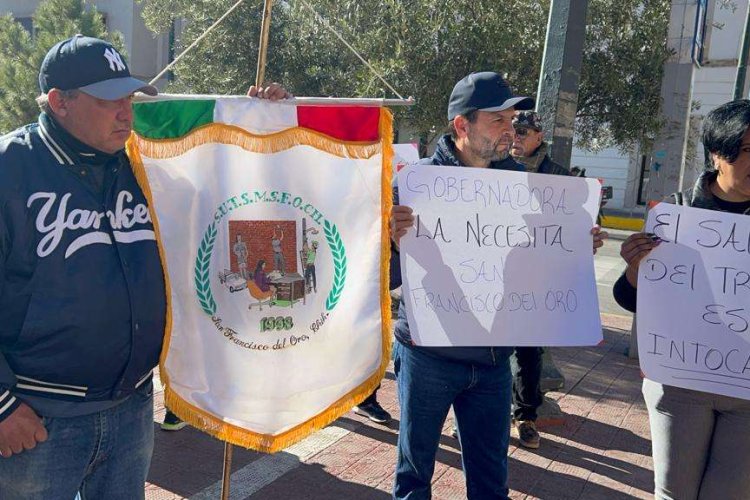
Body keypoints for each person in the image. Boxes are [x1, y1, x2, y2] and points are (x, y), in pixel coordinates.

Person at [0, 34, 290, 499]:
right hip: (37, 421)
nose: (125, 112)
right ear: (59, 102)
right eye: (108, 100)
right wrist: (2, 407)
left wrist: (260, 121)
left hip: (132, 408)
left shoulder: (145, 164)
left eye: (129, 98)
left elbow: (234, 203)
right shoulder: (10, 168)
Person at [390, 72, 607, 499]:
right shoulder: (416, 186)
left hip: (493, 362)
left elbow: (539, 265)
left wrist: (575, 246)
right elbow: (389, 278)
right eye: (498, 121)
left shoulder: (525, 188)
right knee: (414, 477)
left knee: (491, 483)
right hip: (427, 355)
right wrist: (392, 243)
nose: (510, 131)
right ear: (461, 126)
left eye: (512, 120)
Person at [612, 99, 750, 499]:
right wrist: (636, 271)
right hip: (680, 384)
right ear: (717, 154)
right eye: (748, 151)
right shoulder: (675, 215)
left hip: (746, 387)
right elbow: (632, 300)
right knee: (674, 492)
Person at [508, 110, 571, 449]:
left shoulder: (557, 177)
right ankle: (471, 417)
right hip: (493, 278)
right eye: (511, 130)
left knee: (529, 354)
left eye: (522, 131)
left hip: (535, 280)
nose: (515, 137)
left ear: (538, 137)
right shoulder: (494, 168)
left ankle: (526, 417)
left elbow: (574, 223)